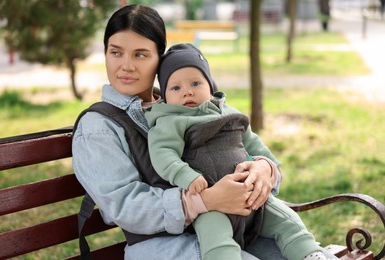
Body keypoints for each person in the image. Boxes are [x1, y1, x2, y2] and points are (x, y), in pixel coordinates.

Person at [71, 4, 331, 260]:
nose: (126, 66)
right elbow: (125, 206)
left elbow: (245, 142)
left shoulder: (185, 100)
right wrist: (204, 201)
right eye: (116, 53)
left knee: (303, 253)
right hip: (163, 245)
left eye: (140, 55)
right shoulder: (98, 127)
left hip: (235, 226)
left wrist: (264, 169)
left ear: (159, 59)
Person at [145, 43, 337, 260]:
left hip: (252, 196)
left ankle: (309, 255)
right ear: (165, 96)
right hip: (213, 205)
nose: (187, 91)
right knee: (216, 241)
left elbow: (254, 144)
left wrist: (266, 165)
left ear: (210, 86)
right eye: (175, 88)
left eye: (195, 83)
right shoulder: (170, 122)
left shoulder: (229, 114)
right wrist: (186, 176)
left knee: (288, 222)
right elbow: (163, 154)